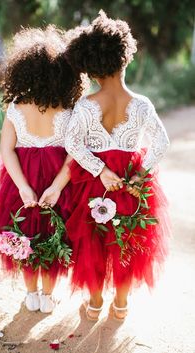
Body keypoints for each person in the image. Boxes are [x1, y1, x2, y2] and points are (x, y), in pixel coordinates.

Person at [64, 10, 170, 321]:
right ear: (124, 59)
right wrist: (137, 176)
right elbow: (161, 143)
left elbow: (73, 144)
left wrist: (99, 169)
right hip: (129, 181)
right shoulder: (140, 104)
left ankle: (95, 303)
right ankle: (121, 305)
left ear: (92, 68)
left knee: (93, 239)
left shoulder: (85, 106)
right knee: (127, 239)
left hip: (96, 181)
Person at [0, 25, 84, 313]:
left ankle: (31, 294)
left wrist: (22, 186)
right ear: (64, 75)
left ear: (23, 72)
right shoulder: (68, 110)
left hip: (23, 178)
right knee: (56, 232)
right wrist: (57, 186)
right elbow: (74, 154)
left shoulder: (16, 108)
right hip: (58, 179)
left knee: (25, 233)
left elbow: (6, 150)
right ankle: (48, 296)